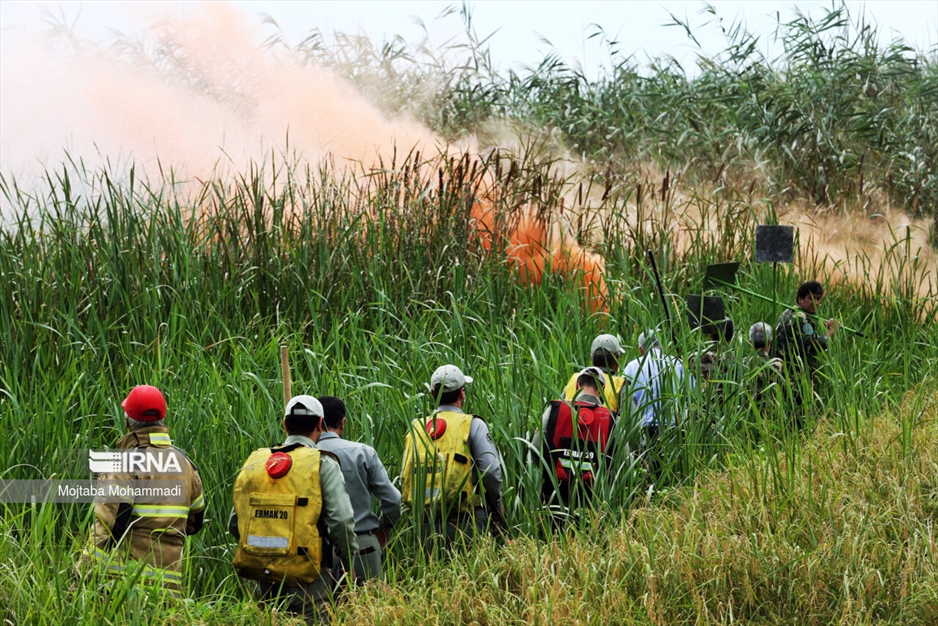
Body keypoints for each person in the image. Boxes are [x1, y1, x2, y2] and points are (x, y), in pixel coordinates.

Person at [229, 395, 358, 624]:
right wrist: (349, 563)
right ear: (320, 424)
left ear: (285, 424)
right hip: (309, 578)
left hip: (264, 576)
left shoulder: (256, 463)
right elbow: (340, 521)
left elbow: (235, 523)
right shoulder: (323, 464)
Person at [90, 385, 206, 598]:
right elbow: (194, 524)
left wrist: (81, 578)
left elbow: (108, 529)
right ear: (163, 420)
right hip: (169, 591)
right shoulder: (187, 465)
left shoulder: (126, 464)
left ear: (127, 422)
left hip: (126, 591)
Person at [401, 364, 506, 544]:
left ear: (432, 395)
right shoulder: (472, 424)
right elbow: (490, 471)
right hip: (466, 521)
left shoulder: (415, 427)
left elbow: (404, 475)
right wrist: (496, 506)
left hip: (424, 524)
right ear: (462, 393)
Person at [316, 395, 401, 582]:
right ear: (343, 422)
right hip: (363, 547)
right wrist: (385, 526)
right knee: (369, 606)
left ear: (318, 422)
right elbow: (393, 499)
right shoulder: (363, 453)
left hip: (318, 551)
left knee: (323, 609)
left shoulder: (306, 456)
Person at [540, 367, 615, 515]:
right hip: (594, 504)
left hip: (554, 497)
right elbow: (624, 461)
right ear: (602, 389)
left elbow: (535, 449)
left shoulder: (554, 409)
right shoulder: (612, 420)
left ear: (576, 386)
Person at [621, 330, 694, 482]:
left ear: (641, 348)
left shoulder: (631, 367)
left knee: (646, 475)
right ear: (660, 345)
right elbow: (692, 395)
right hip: (672, 429)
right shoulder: (677, 364)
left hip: (643, 431)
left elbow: (624, 400)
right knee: (671, 474)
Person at [773, 281, 838, 413]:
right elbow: (814, 347)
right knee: (801, 418)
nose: (816, 302)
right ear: (800, 299)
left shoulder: (787, 313)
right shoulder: (803, 319)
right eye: (811, 298)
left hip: (780, 374)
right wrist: (832, 331)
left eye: (818, 299)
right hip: (795, 378)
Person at [562, 334, 628, 414]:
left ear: (591, 359)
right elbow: (630, 421)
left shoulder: (574, 379)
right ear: (617, 358)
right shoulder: (620, 385)